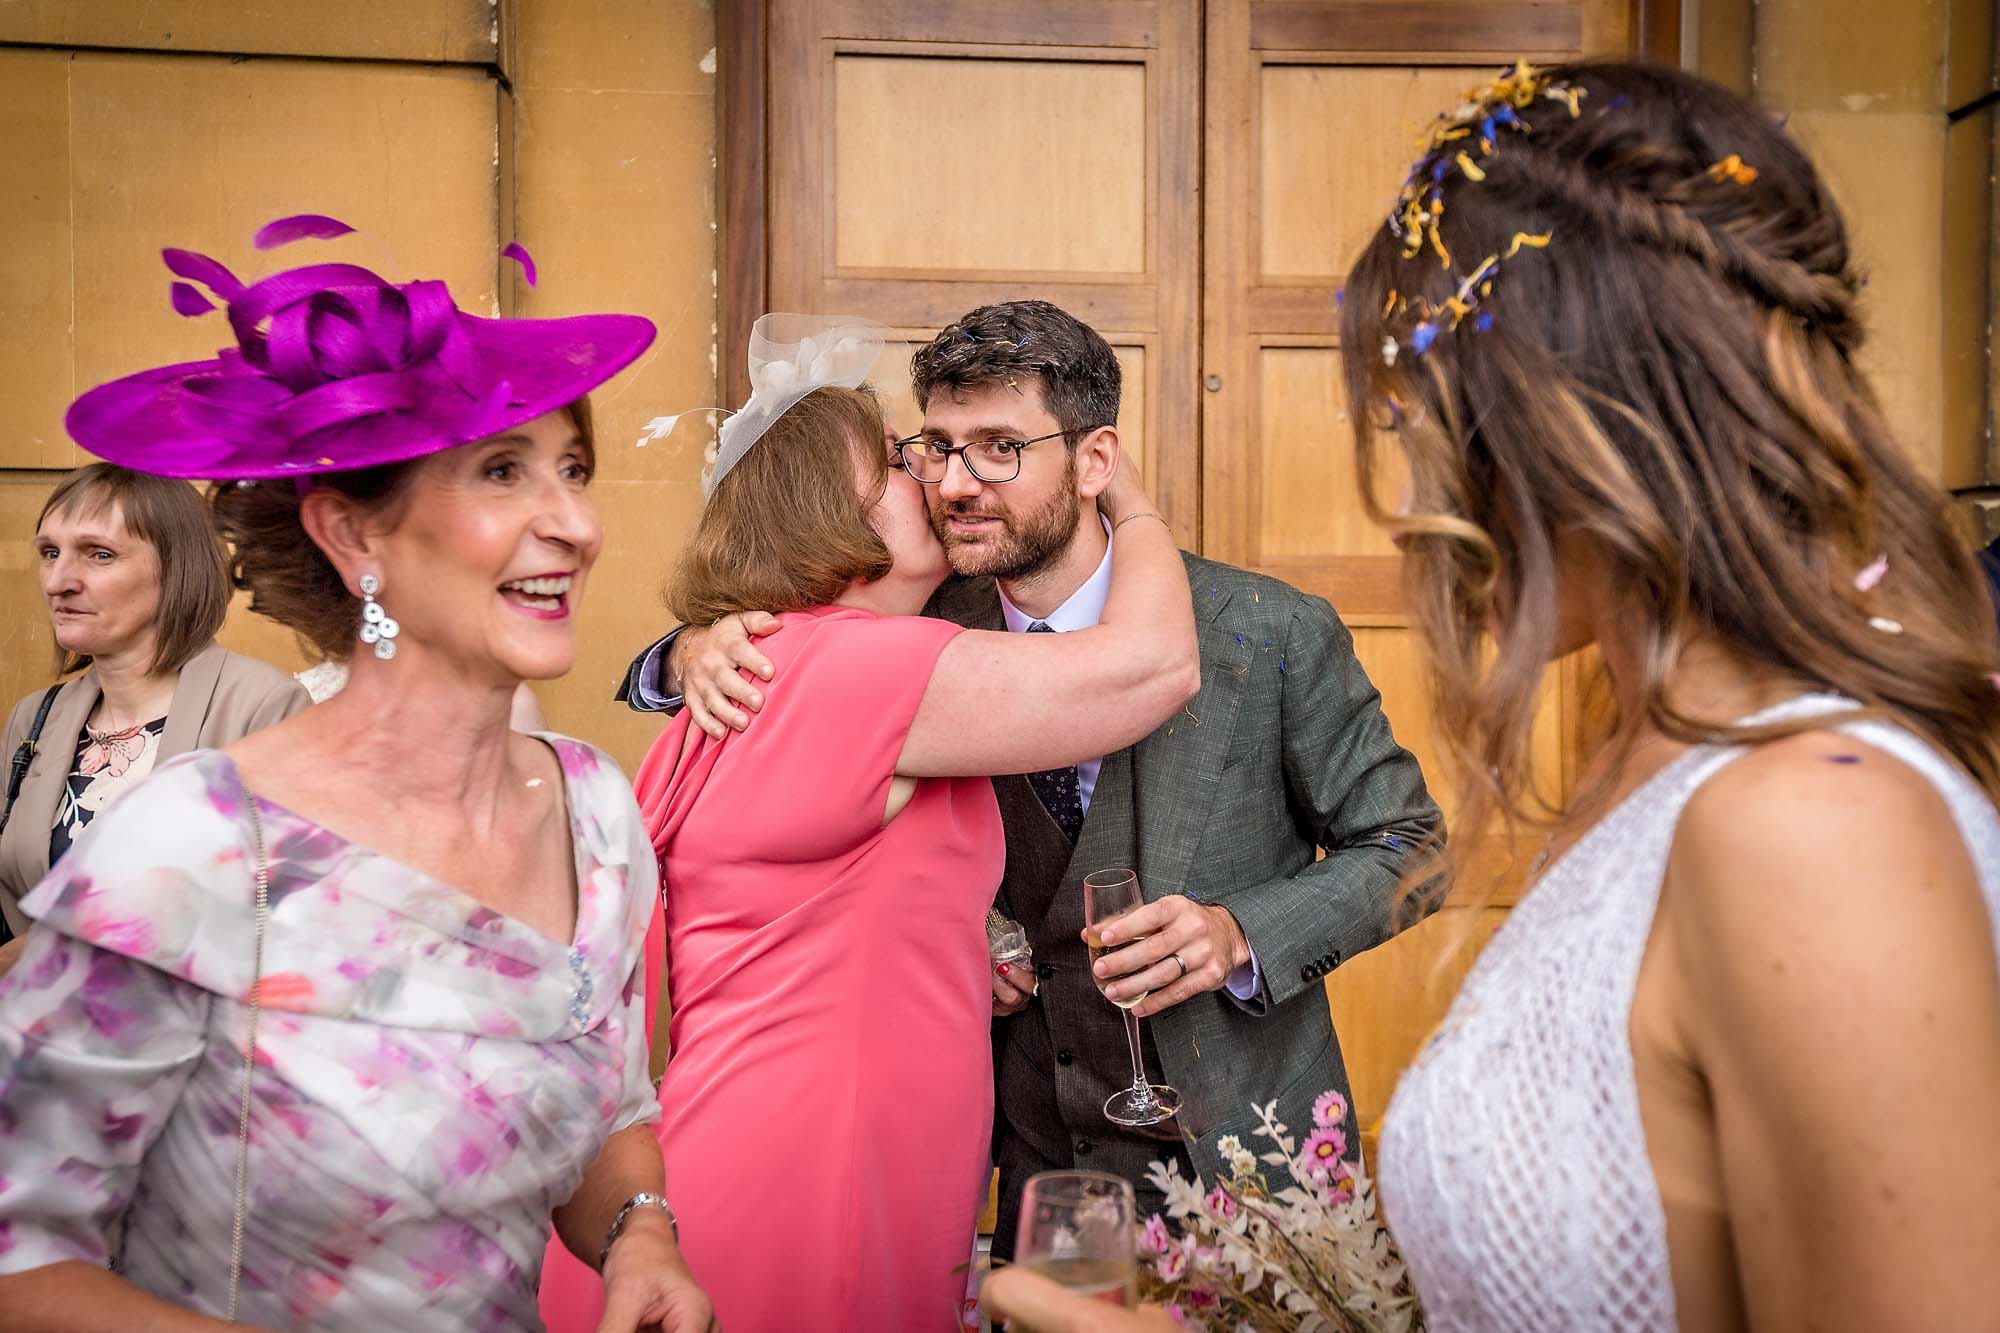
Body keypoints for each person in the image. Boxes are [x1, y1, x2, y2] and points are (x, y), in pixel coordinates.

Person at [1338, 62, 2000, 1328]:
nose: (1417, 511)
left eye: (1423, 418)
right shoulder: (1641, 759)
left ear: (1562, 419)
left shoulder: (1815, 824)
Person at [0, 221, 715, 1332]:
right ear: (351, 534)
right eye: (502, 472)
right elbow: (20, 1251)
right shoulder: (202, 841)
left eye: (573, 469)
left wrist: (642, 1236)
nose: (576, 525)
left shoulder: (593, 811)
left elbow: (610, 1112)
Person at [644, 301, 1442, 1255]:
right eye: (935, 447)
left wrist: (1240, 934)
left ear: (1094, 462)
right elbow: (796, 630)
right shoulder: (924, 620)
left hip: (1248, 1161)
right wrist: (687, 648)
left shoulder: (1268, 631)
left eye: (998, 448)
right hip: (1045, 1172)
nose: (954, 482)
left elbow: (1414, 846)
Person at [569, 314, 1201, 1332]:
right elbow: (1154, 667)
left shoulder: (772, 662)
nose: (940, 482)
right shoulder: (852, 667)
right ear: (844, 516)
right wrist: (1126, 504)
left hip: (777, 1138)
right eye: (903, 468)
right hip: (806, 1171)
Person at [0, 464, 308, 978]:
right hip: (37, 1044)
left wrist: (64, 947)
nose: (58, 582)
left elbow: (285, 913)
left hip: (184, 1045)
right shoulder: (35, 716)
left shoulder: (266, 706)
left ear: (178, 568)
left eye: (99, 554)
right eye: (50, 553)